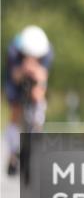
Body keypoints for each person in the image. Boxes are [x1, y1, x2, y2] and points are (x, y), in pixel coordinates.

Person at [4, 25, 53, 176]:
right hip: (16, 79)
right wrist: (24, 69)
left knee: (38, 95)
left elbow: (43, 75)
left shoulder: (48, 51)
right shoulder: (13, 50)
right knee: (15, 110)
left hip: (36, 80)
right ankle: (13, 154)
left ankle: (37, 129)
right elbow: (14, 76)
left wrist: (36, 74)